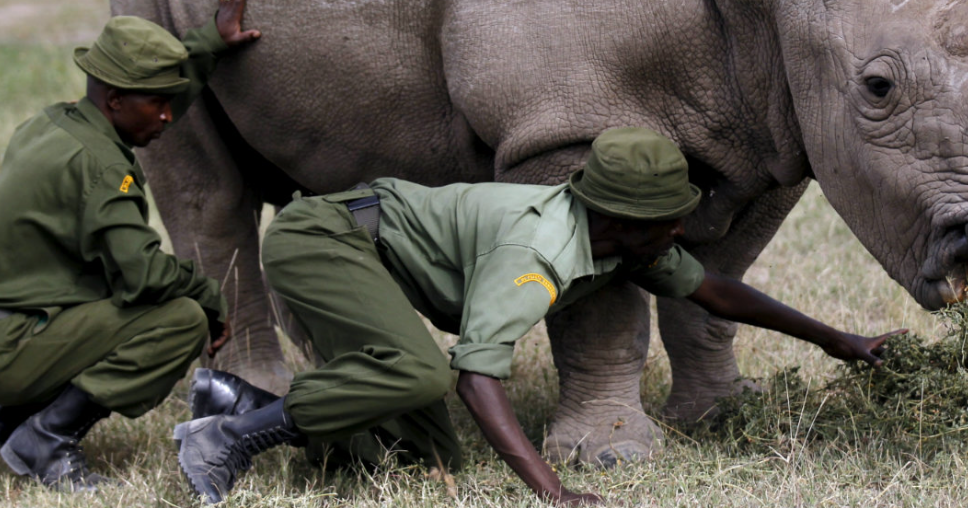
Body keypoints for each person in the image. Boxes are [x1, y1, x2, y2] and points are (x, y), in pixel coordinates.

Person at [176, 126, 904, 504]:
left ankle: (234, 401)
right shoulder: (542, 252)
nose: (678, 231)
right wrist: (550, 493)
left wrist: (836, 339)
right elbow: (475, 378)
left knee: (426, 465)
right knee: (420, 376)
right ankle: (228, 439)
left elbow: (712, 290)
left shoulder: (624, 244)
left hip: (376, 254)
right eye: (666, 220)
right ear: (622, 218)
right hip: (327, 240)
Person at [0, 0, 262, 492]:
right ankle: (47, 435)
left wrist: (209, 42)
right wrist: (208, 296)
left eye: (170, 100)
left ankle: (8, 421)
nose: (167, 116)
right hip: (10, 348)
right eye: (155, 103)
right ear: (115, 99)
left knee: (112, 294)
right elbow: (142, 275)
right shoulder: (101, 168)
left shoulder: (55, 124)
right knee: (181, 319)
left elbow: (149, 102)